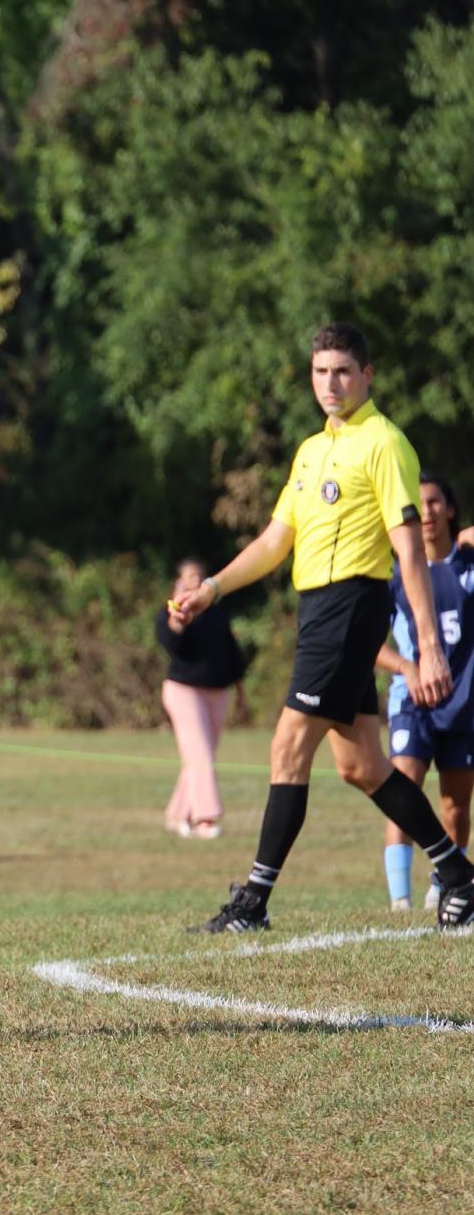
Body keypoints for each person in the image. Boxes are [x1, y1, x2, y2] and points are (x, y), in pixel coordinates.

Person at [174, 324, 474, 932]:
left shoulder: (385, 444)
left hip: (352, 607)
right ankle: (461, 877)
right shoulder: (312, 451)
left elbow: (409, 554)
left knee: (287, 746)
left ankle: (253, 903)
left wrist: (431, 647)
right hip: (319, 611)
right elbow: (273, 541)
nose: (330, 383)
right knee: (362, 765)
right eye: (320, 372)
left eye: (342, 371)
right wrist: (211, 589)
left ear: (367, 376)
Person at [376, 474, 474, 912]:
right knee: (403, 788)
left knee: (455, 808)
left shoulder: (467, 565)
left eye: (434, 502)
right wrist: (407, 667)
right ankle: (400, 901)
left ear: (449, 509)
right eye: (417, 506)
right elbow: (365, 641)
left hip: (464, 704)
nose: (427, 512)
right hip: (411, 701)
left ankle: (445, 886)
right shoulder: (394, 574)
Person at [155, 557, 248, 839]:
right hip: (184, 690)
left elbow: (232, 652)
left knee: (200, 757)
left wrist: (241, 692)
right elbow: (171, 644)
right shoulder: (171, 612)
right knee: (200, 755)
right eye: (189, 576)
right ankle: (205, 817)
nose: (195, 581)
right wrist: (177, 621)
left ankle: (176, 814)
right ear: (178, 582)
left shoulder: (217, 613)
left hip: (218, 691)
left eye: (199, 576)